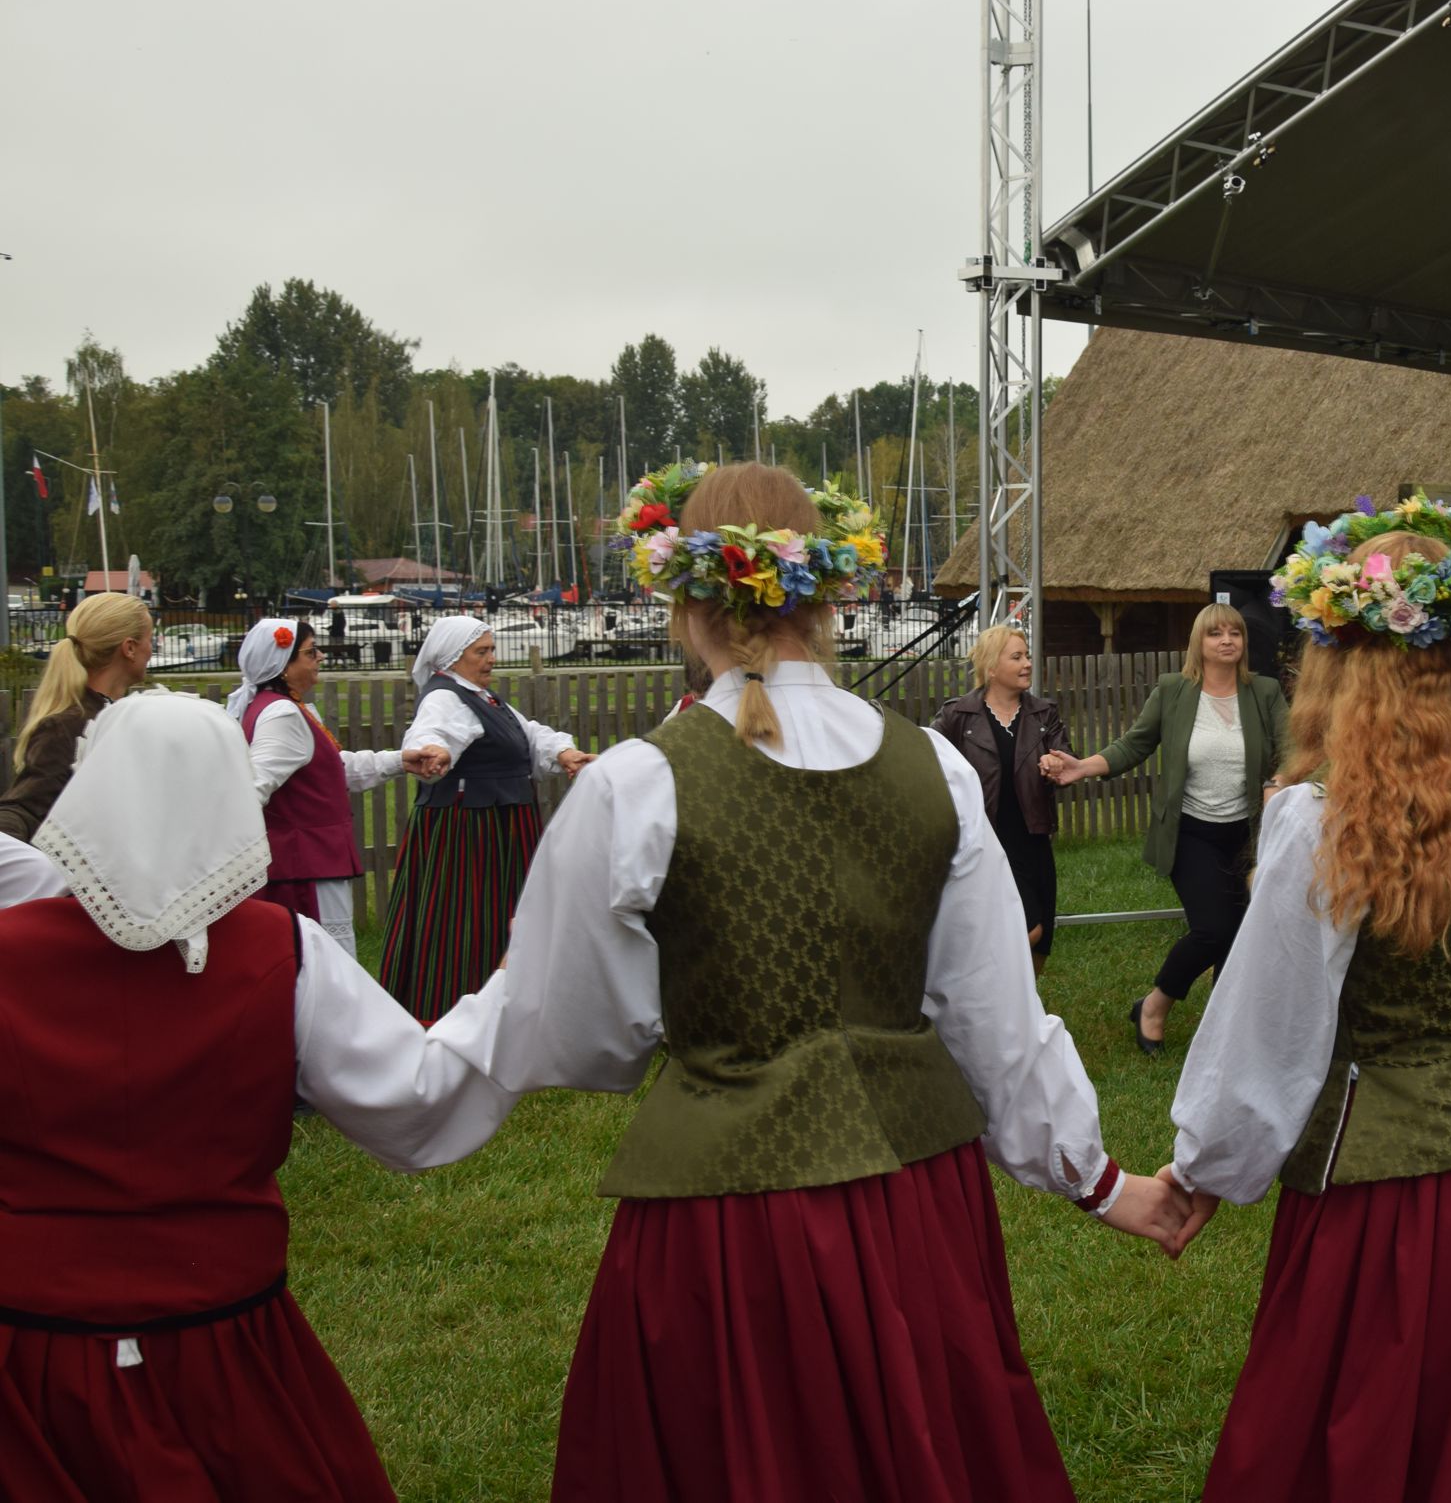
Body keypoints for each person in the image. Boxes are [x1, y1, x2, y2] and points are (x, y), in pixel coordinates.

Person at [329, 463, 1185, 1499]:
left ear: (685, 599)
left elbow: (571, 1023)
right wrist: (1097, 1180)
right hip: (914, 1196)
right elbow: (997, 1016)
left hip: (728, 1222)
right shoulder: (937, 769)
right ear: (828, 592)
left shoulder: (638, 785)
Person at [0, 692, 532, 1503]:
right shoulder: (283, 951)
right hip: (222, 1340)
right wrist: (515, 991)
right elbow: (418, 1102)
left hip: (34, 1355)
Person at [1166, 513, 1451, 1502]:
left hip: (1381, 1201)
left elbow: (1272, 1021)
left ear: (1340, 657)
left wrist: (1204, 1162)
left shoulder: (1323, 816)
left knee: (1363, 1426)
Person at [1042, 603, 1289, 1056]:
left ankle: (1226, 1031)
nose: (1227, 641)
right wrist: (1083, 767)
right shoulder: (1174, 691)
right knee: (1213, 930)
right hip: (1191, 832)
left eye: (1235, 633)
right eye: (1216, 633)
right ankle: (1154, 1006)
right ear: (1200, 642)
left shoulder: (1265, 692)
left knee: (1240, 937)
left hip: (1249, 836)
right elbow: (1135, 743)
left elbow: (1290, 752)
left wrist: (1278, 782)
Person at [377, 616, 591, 1022]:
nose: (492, 659)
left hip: (500, 824)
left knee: (505, 913)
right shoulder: (444, 697)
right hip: (471, 831)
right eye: (482, 652)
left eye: (491, 650)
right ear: (453, 658)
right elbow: (433, 732)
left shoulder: (481, 696)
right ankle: (453, 1008)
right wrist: (434, 751)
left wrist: (564, 753)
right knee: (465, 917)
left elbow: (528, 733)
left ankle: (511, 1003)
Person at [228, 616, 449, 953]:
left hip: (306, 862)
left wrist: (400, 760)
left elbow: (331, 767)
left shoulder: (278, 707)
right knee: (323, 965)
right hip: (304, 868)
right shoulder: (282, 715)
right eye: (310, 651)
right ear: (282, 666)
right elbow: (253, 789)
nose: (320, 657)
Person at [934, 625, 1073, 976]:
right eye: (1017, 657)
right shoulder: (957, 716)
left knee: (1042, 944)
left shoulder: (1044, 713)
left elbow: (1067, 760)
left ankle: (1020, 1008)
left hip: (1034, 839)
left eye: (1027, 655)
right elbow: (931, 761)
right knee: (1029, 930)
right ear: (991, 667)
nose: (1027, 663)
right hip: (985, 842)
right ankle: (979, 985)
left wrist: (1057, 763)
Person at [0, 592, 151, 842]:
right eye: (150, 638)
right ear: (130, 648)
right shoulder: (66, 726)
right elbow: (25, 808)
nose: (152, 648)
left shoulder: (113, 713)